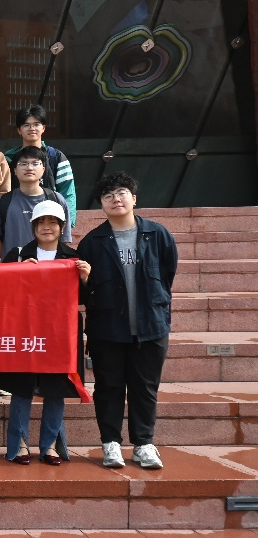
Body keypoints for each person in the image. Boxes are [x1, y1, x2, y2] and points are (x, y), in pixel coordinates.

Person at [77, 173, 177, 470]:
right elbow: (83, 291)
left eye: (121, 193)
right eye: (108, 196)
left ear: (134, 198)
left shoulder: (157, 234)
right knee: (108, 387)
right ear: (101, 204)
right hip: (107, 328)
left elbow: (167, 274)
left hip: (151, 326)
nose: (115, 199)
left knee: (145, 387)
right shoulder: (93, 242)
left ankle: (144, 444)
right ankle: (111, 443)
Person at [0, 200, 90, 466]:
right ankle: (18, 444)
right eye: (40, 222)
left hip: (60, 333)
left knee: (55, 389)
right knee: (21, 388)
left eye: (52, 222)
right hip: (24, 330)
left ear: (62, 227)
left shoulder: (73, 258)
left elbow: (86, 299)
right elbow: (2, 293)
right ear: (33, 226)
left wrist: (85, 279)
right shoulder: (17, 255)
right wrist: (19, 273)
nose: (46, 227)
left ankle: (49, 445)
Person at [0, 145, 72, 258]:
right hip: (15, 265)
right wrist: (10, 258)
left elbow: (64, 238)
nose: (29, 168)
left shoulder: (56, 200)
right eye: (23, 163)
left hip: (49, 265)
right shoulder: (2, 202)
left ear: (43, 169)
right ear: (15, 170)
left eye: (35, 163)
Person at [4, 105, 76, 220]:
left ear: (43, 128)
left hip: (49, 218)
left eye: (36, 124)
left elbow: (67, 192)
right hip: (17, 217)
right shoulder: (9, 158)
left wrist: (67, 221)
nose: (32, 128)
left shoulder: (56, 156)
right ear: (19, 130)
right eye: (26, 125)